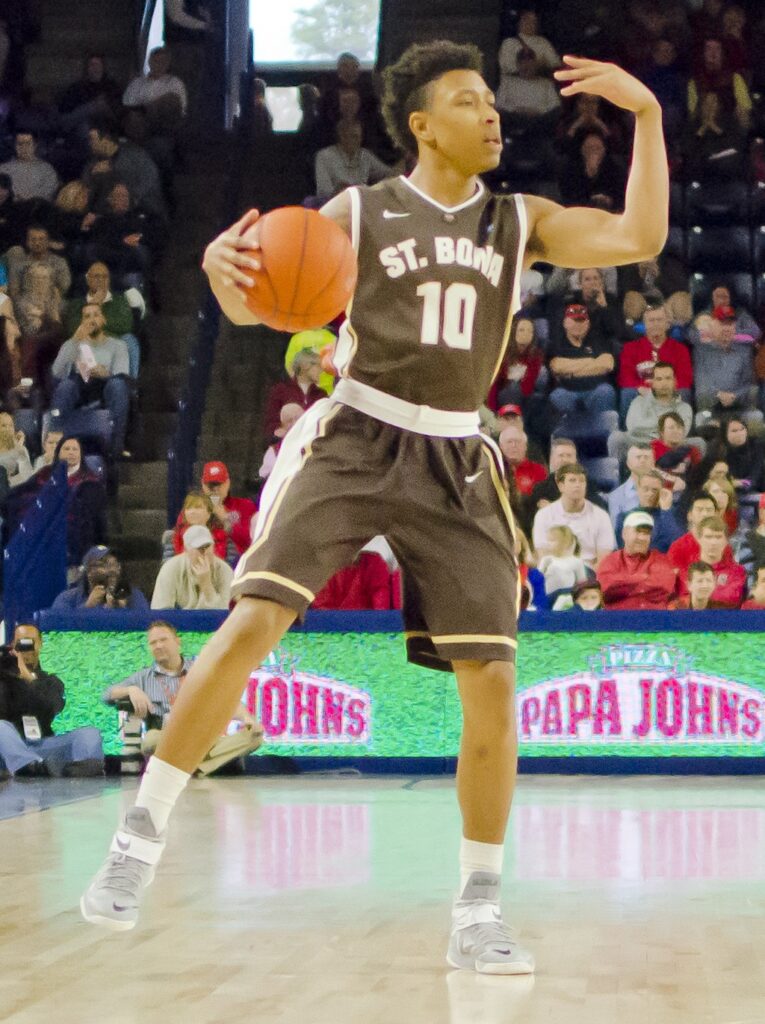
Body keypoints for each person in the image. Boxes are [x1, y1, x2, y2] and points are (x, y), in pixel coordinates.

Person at [81, 41, 669, 974]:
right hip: (356, 432)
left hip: (457, 451)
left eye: (492, 102)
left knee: (491, 683)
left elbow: (638, 236)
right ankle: (137, 842)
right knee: (251, 621)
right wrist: (226, 276)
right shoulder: (359, 209)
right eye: (471, 102)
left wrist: (646, 116)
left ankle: (478, 909)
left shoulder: (518, 219)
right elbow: (267, 301)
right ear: (423, 125)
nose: (492, 115)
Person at [102, 621, 263, 776]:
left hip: (203, 737)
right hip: (168, 738)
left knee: (255, 737)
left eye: (163, 640)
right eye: (153, 643)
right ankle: (204, 766)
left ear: (177, 642)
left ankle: (194, 769)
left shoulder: (200, 668)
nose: (158, 646)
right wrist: (131, 689)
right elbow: (107, 695)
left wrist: (246, 718)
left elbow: (226, 699)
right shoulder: (144, 677)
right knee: (150, 740)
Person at [0, 624, 104, 777]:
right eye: (21, 642)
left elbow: (51, 707)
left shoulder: (51, 681)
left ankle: (83, 767)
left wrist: (29, 679)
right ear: (13, 646)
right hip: (9, 748)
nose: (26, 648)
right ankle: (27, 766)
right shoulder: (4, 678)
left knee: (90, 733)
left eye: (31, 642)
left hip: (43, 746)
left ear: (40, 644)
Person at [50, 303, 131, 458]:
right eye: (87, 316)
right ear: (81, 322)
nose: (92, 320)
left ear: (103, 319)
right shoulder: (73, 344)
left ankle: (115, 449)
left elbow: (122, 372)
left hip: (106, 386)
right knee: (65, 386)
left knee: (118, 385)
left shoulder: (118, 345)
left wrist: (105, 373)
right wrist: (74, 340)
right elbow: (56, 372)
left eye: (96, 315)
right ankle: (55, 444)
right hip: (80, 387)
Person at [64, 261, 143, 379]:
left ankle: (130, 384)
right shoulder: (77, 303)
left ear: (109, 280)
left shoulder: (120, 300)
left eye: (104, 276)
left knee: (130, 340)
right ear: (88, 280)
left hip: (115, 340)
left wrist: (95, 326)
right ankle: (86, 385)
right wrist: (93, 304)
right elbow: (72, 328)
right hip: (86, 341)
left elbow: (125, 325)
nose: (101, 280)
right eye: (96, 276)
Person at [532, 463, 616, 567]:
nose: (578, 485)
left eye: (581, 481)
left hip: (591, 576)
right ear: (561, 486)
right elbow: (543, 557)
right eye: (572, 480)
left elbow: (604, 561)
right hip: (556, 574)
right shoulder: (543, 516)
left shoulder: (601, 516)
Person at [610, 363, 698, 461]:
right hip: (638, 444)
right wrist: (663, 430)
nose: (664, 383)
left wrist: (650, 429)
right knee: (616, 437)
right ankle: (622, 475)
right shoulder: (638, 402)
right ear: (653, 383)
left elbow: (679, 435)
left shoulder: (684, 408)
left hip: (669, 447)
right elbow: (633, 428)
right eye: (659, 379)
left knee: (698, 442)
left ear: (675, 381)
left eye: (668, 378)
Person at [617, 304, 692, 416]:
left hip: (670, 393)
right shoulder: (630, 348)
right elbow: (625, 377)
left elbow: (685, 379)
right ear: (644, 324)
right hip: (641, 395)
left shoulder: (680, 349)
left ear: (667, 324)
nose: (655, 324)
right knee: (627, 393)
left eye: (660, 320)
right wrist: (641, 389)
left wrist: (664, 388)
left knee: (684, 392)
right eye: (651, 320)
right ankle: (628, 431)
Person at [597, 510, 677, 609]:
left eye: (646, 533)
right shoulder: (610, 561)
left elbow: (664, 586)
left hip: (655, 619)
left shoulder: (661, 559)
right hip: (619, 621)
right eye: (638, 532)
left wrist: (625, 583)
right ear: (624, 533)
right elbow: (604, 590)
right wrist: (644, 578)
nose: (642, 538)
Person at [547, 303, 616, 416]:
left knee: (606, 391)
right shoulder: (557, 343)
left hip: (595, 390)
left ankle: (605, 432)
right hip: (567, 391)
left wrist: (571, 373)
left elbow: (607, 364)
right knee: (557, 395)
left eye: (581, 321)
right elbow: (557, 367)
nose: (578, 325)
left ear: (588, 323)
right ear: (565, 322)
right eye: (574, 320)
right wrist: (591, 362)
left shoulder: (598, 339)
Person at [151, 524, 233, 609]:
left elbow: (227, 613)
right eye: (199, 548)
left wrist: (206, 585)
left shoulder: (225, 570)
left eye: (207, 546)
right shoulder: (170, 568)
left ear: (213, 547)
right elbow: (160, 611)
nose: (204, 552)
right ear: (186, 550)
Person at [675, 515, 746, 607]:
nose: (713, 542)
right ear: (699, 539)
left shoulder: (737, 571)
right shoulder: (685, 568)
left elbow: (731, 597)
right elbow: (682, 598)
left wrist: (699, 591)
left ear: (726, 541)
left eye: (718, 537)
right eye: (708, 537)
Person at [52, 545, 150, 610]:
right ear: (89, 571)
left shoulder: (133, 596)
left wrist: (122, 610)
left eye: (114, 564)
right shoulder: (68, 598)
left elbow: (146, 629)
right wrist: (88, 606)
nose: (111, 570)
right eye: (103, 564)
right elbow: (58, 632)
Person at [314, 120, 393, 200]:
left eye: (359, 136)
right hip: (335, 204)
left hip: (363, 202)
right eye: (354, 136)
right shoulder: (324, 156)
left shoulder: (364, 155)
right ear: (342, 136)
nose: (359, 140)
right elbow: (324, 192)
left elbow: (389, 174)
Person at [614, 468, 683, 553]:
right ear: (637, 489)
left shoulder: (671, 515)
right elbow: (626, 549)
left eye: (655, 490)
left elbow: (678, 544)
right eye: (645, 489)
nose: (650, 494)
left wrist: (666, 510)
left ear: (661, 492)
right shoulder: (623, 517)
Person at [263, 348, 327, 439]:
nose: (322, 370)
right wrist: (277, 431)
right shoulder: (281, 390)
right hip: (286, 447)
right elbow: (270, 423)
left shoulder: (321, 395)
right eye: (318, 366)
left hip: (313, 447)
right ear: (305, 366)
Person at [199, 461, 257, 558]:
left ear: (227, 483)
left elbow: (250, 542)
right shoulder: (194, 509)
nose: (216, 490)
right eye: (211, 486)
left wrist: (225, 518)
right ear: (203, 485)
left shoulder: (245, 506)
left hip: (236, 567)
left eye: (219, 484)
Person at [491, 315, 547, 414]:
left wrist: (522, 375)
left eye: (530, 331)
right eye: (521, 330)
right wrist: (493, 410)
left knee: (543, 373)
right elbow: (495, 383)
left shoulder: (536, 355)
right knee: (512, 387)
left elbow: (528, 388)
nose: (526, 334)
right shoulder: (503, 353)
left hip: (525, 393)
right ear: (513, 332)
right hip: (504, 393)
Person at [558, 131, 627, 211]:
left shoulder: (615, 168)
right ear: (582, 150)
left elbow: (621, 197)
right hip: (580, 213)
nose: (593, 152)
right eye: (589, 148)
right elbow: (568, 197)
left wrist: (608, 200)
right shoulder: (570, 169)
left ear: (604, 150)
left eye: (598, 148)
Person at [5, 223, 72, 301]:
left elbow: (64, 287)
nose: (37, 243)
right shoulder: (19, 265)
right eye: (33, 239)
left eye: (41, 239)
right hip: (25, 304)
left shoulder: (59, 263)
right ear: (27, 242)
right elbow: (14, 291)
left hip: (52, 301)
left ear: (48, 242)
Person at [667, 492, 730, 572]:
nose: (704, 514)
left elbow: (729, 573)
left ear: (716, 515)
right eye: (699, 510)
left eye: (709, 510)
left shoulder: (723, 545)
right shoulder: (678, 547)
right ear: (689, 515)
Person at [166, 490, 233, 563]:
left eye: (198, 507)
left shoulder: (223, 537)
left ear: (209, 513)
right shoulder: (174, 536)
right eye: (188, 508)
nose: (192, 511)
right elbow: (167, 567)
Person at [0, 131, 58, 201]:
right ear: (15, 146)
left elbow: (49, 194)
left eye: (28, 144)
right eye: (20, 144)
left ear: (35, 145)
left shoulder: (47, 170)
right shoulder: (3, 169)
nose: (24, 147)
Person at [606, 442, 655, 525]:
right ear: (628, 463)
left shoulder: (664, 492)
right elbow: (616, 530)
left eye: (646, 457)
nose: (642, 460)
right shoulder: (615, 496)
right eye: (638, 457)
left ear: (653, 463)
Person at [537, 524, 588, 601]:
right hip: (547, 599)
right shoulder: (546, 560)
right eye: (547, 540)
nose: (548, 543)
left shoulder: (576, 562)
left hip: (566, 599)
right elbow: (537, 581)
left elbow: (582, 586)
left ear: (565, 542)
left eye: (552, 541)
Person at [497, 423, 546, 497]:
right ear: (501, 446)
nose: (513, 445)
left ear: (525, 446)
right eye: (509, 442)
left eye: (518, 441)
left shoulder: (538, 471)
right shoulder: (495, 469)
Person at [0, 410, 33, 484]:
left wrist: (19, 448)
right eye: (3, 425)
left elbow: (27, 476)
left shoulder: (20, 449)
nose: (8, 429)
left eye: (11, 425)